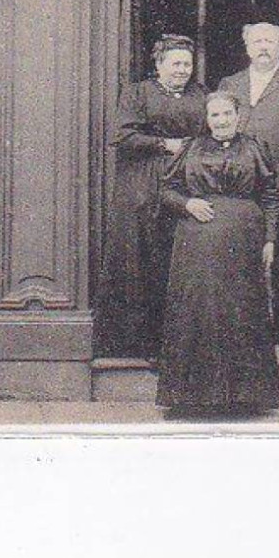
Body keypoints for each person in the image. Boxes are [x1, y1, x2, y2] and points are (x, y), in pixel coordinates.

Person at [156, 91, 279, 416]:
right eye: (215, 115)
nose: (222, 120)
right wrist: (187, 203)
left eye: (227, 113)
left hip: (244, 240)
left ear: (238, 115)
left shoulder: (254, 147)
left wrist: (270, 239)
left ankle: (245, 397)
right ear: (207, 118)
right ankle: (192, 397)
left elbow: (270, 194)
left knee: (241, 310)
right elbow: (166, 189)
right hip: (197, 242)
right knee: (199, 309)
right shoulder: (191, 148)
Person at [96, 34, 208, 361]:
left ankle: (182, 344)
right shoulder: (138, 94)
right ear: (158, 65)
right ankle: (146, 344)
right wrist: (164, 145)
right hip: (143, 187)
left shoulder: (200, 95)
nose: (182, 70)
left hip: (184, 185)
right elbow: (123, 135)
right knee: (144, 262)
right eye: (175, 64)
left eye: (187, 64)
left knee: (179, 263)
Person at [218, 22, 279, 351]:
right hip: (238, 188)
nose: (263, 47)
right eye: (257, 41)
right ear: (246, 47)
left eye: (270, 42)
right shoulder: (229, 84)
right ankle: (245, 331)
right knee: (239, 259)